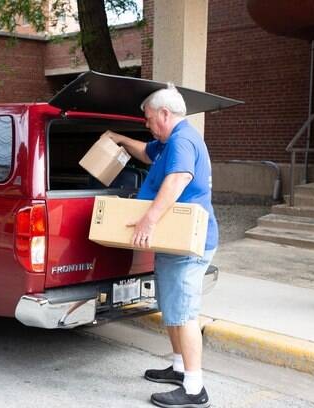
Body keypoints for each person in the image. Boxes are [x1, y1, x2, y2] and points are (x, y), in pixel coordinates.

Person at [108, 84, 217, 408]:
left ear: (165, 114)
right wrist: (119, 139)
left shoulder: (183, 140)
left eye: (148, 118)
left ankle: (195, 390)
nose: (146, 123)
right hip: (173, 243)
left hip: (188, 244)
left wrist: (149, 220)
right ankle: (180, 368)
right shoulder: (169, 142)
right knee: (171, 308)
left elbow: (178, 179)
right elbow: (145, 152)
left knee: (184, 314)